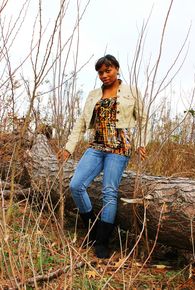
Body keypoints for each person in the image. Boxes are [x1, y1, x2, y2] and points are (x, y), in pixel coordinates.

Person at [57, 54, 148, 259]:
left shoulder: (130, 92)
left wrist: (142, 143)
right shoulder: (93, 95)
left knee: (109, 191)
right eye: (100, 72)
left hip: (119, 148)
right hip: (96, 147)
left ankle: (102, 241)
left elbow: (143, 119)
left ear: (117, 69)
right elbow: (81, 123)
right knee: (76, 185)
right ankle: (92, 228)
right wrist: (68, 148)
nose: (104, 75)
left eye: (108, 70)